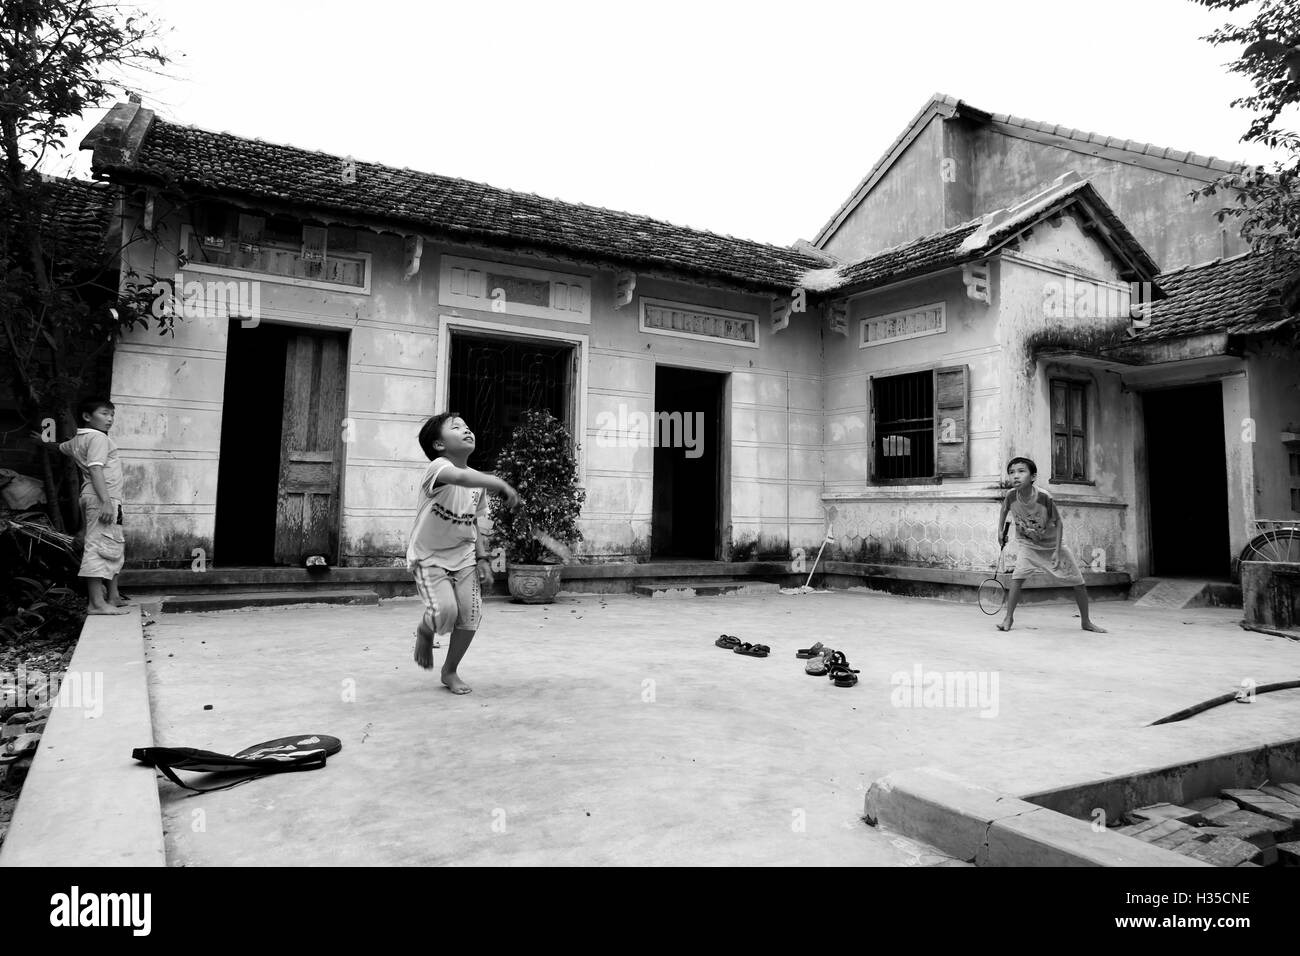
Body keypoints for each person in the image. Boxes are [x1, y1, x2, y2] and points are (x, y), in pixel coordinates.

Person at [408, 412, 519, 695]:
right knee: (445, 610)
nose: (467, 430)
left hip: (465, 557)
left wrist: (482, 558)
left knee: (469, 617)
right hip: (428, 558)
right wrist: (500, 484)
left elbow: (472, 522)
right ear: (438, 445)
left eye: (468, 427)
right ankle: (425, 629)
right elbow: (460, 477)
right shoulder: (437, 469)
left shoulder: (477, 482)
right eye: (456, 428)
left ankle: (450, 670)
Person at [41, 397, 131, 615]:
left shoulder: (78, 440)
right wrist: (106, 502)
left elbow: (58, 447)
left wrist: (41, 441)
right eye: (104, 414)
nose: (109, 419)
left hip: (104, 499)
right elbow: (96, 469)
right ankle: (96, 603)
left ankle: (113, 596)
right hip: (102, 498)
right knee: (98, 546)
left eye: (112, 415)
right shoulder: (98, 438)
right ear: (87, 416)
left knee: (113, 543)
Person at [995, 456, 1105, 633]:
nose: (1015, 476)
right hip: (1028, 545)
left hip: (1053, 546)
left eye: (1021, 471)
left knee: (1078, 582)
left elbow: (1059, 523)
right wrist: (999, 531)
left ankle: (1086, 621)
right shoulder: (1010, 496)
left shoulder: (1044, 497)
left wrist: (1056, 551)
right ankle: (1008, 618)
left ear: (1032, 477)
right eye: (1011, 472)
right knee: (1017, 579)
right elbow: (1004, 510)